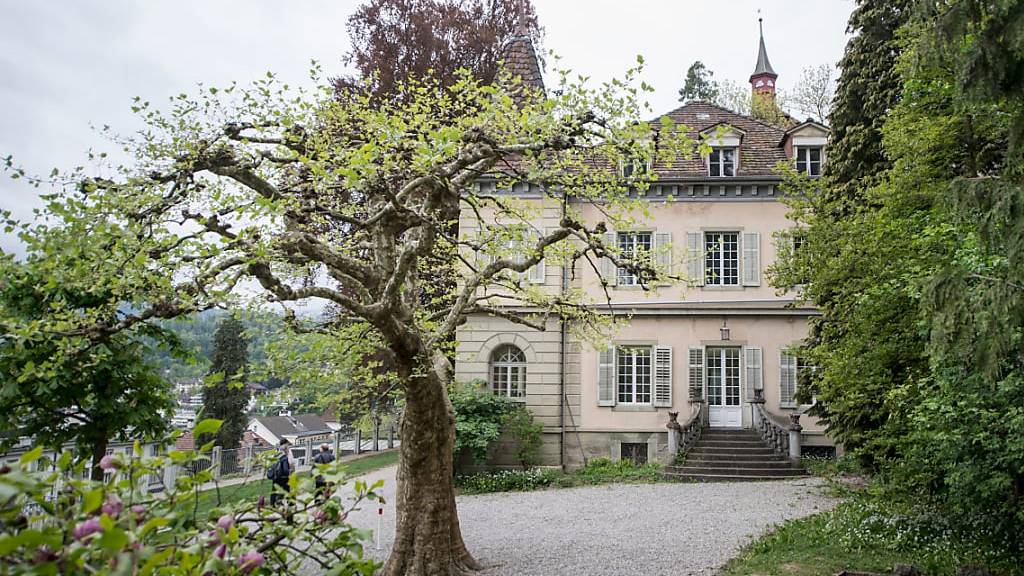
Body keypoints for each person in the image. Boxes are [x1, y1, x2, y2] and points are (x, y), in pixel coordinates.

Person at [267, 438, 292, 505]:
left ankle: (272, 504)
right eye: (287, 445)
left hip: (276, 475)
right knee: (287, 490)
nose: (288, 447)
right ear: (284, 445)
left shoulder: (275, 453)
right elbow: (285, 469)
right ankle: (291, 503)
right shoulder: (284, 456)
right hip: (283, 477)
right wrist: (289, 472)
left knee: (274, 490)